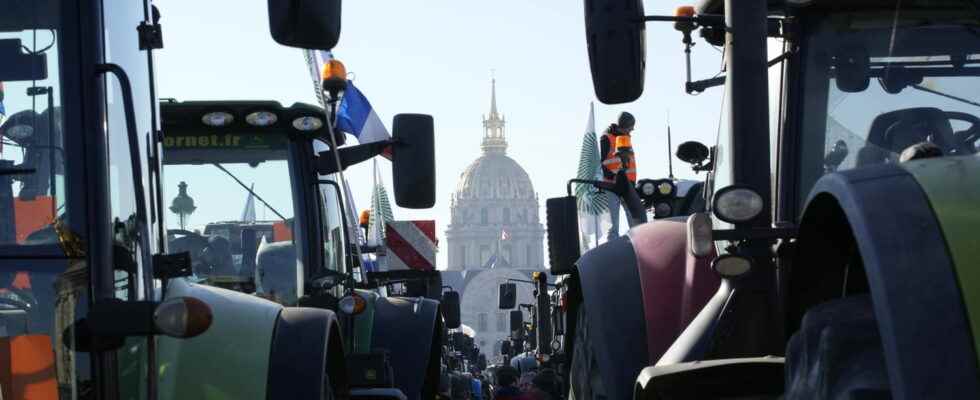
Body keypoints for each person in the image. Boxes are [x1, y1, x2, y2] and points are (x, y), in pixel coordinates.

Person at [600, 111, 637, 241]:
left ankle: (637, 246)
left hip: (628, 185)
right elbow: (601, 163)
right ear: (626, 125)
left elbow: (628, 164)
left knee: (635, 221)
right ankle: (612, 251)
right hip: (612, 185)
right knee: (612, 224)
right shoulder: (607, 138)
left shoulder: (625, 137)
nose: (633, 129)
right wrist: (612, 176)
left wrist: (632, 183)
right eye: (631, 125)